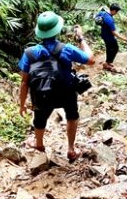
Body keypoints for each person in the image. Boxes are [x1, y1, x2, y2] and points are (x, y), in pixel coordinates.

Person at [18, 11, 95, 162]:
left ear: (39, 33)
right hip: (66, 93)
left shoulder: (30, 53)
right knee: (72, 116)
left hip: (41, 94)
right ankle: (71, 149)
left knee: (39, 118)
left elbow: (24, 81)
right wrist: (81, 39)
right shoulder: (67, 49)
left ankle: (39, 144)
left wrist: (22, 105)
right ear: (57, 30)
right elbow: (91, 60)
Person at [97, 3, 127, 72]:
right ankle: (107, 63)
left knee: (109, 49)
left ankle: (107, 62)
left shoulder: (103, 13)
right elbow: (114, 32)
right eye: (117, 11)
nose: (117, 13)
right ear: (114, 11)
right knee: (115, 48)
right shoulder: (109, 19)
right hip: (109, 37)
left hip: (104, 34)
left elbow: (98, 15)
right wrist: (125, 39)